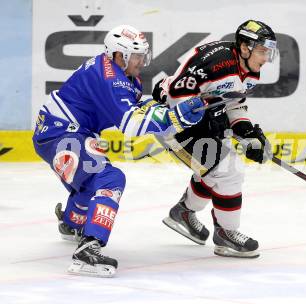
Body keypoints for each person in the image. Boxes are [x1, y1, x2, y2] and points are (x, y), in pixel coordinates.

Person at [32, 24, 205, 277]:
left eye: (143, 55)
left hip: (62, 131)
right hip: (61, 133)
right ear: (118, 55)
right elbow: (132, 125)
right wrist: (175, 117)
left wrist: (167, 108)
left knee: (91, 181)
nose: (142, 61)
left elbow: (136, 108)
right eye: (136, 56)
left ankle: (72, 222)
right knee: (109, 178)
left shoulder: (119, 74)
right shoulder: (110, 76)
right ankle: (88, 249)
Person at [152, 20, 278, 258]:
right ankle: (225, 234)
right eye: (262, 50)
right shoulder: (214, 62)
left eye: (268, 52)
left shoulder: (250, 69)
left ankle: (183, 213)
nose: (265, 58)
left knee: (217, 169)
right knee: (229, 170)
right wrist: (210, 118)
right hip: (173, 123)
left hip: (197, 123)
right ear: (244, 47)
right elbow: (177, 100)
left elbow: (233, 103)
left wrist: (247, 133)